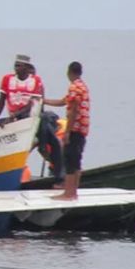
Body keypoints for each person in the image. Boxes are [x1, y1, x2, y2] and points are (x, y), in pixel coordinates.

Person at [44, 61, 90, 201]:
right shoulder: (82, 86)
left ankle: (68, 194)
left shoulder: (74, 88)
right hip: (83, 128)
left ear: (69, 72)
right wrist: (44, 101)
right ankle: (73, 192)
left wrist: (68, 132)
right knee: (76, 161)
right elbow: (64, 102)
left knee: (70, 160)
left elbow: (73, 111)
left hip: (75, 129)